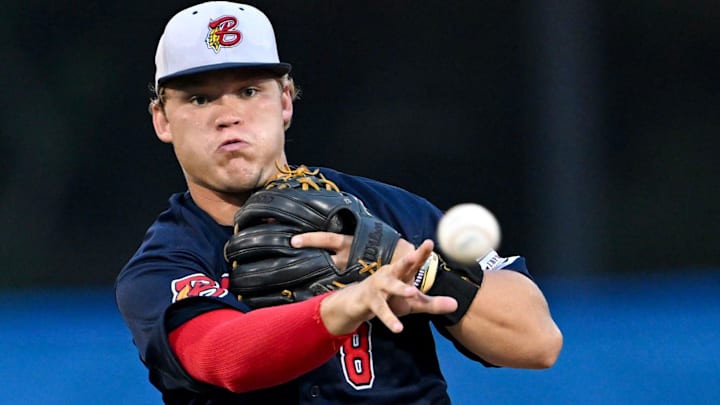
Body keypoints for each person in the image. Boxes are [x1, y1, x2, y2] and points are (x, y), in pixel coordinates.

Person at [115, 2, 563, 404]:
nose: (228, 115)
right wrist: (354, 302)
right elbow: (224, 357)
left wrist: (410, 264)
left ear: (285, 102)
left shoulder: (386, 212)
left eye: (250, 91)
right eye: (199, 97)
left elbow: (537, 342)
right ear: (162, 119)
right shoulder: (164, 264)